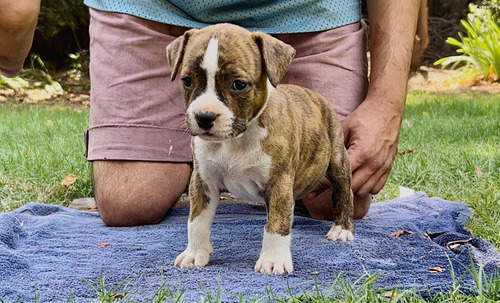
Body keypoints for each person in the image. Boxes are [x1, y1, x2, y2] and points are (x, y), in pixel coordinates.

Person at [1, 0, 419, 226]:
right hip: (153, 9)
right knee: (129, 203)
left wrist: (386, 102)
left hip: (309, 12)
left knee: (331, 198)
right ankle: (215, 173)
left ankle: (242, 173)